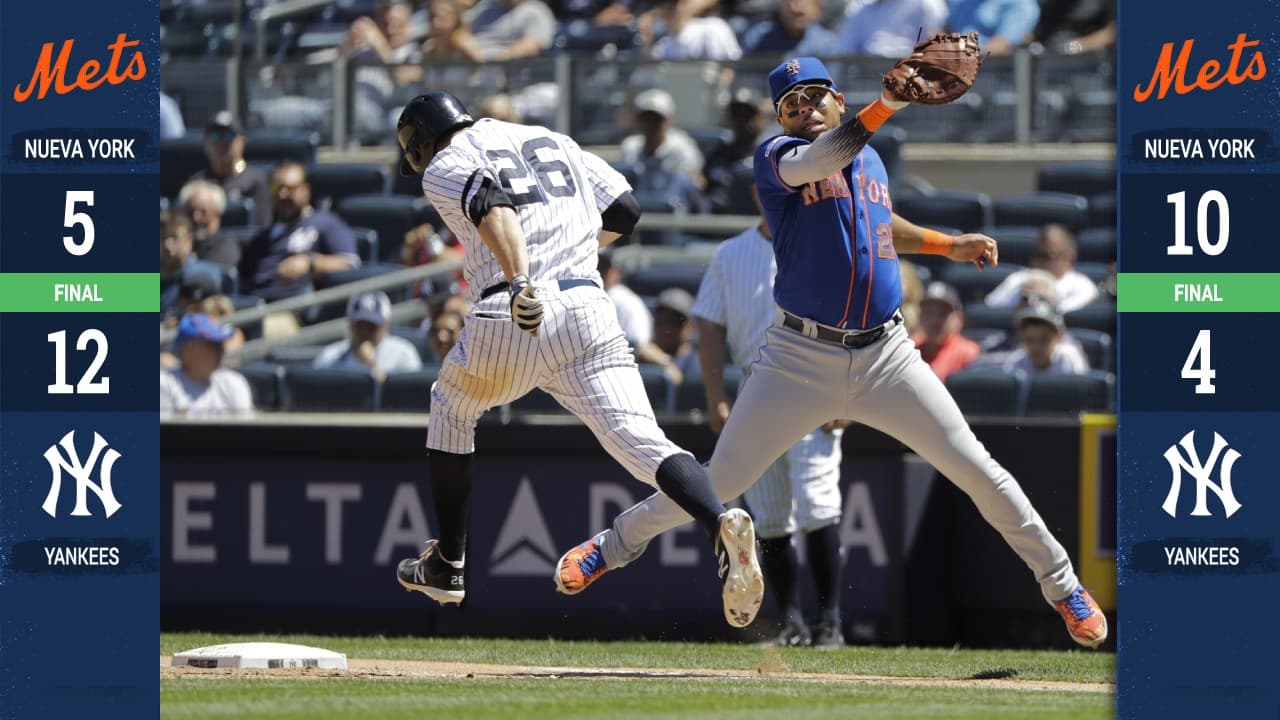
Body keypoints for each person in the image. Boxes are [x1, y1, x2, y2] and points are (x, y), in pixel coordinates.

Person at [556, 57, 1108, 649]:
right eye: (792, 104)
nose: (805, 109)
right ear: (780, 118)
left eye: (816, 96)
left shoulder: (867, 159)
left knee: (978, 470)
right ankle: (610, 548)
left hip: (887, 354)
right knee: (720, 479)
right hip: (800, 355)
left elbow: (878, 219)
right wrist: (888, 105)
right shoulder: (776, 157)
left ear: (839, 100)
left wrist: (947, 244)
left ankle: (1064, 586)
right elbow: (823, 160)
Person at [391, 92, 764, 628]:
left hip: (515, 304)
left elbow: (490, 201)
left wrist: (522, 276)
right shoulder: (552, 140)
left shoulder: (448, 160)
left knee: (450, 406)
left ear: (422, 144)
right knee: (644, 441)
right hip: (588, 306)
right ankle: (718, 521)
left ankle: (448, 563)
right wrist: (570, 246)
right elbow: (626, 210)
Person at [693, 189, 848, 647]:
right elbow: (708, 324)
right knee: (771, 511)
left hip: (815, 383)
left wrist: (844, 394)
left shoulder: (826, 242)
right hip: (754, 384)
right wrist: (716, 394)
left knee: (818, 500)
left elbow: (852, 318)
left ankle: (830, 621)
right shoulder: (730, 253)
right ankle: (792, 623)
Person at [238, 160, 360, 302]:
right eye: (277, 189)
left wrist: (310, 263)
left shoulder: (325, 223)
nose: (282, 195)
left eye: (290, 189)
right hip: (254, 306)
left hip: (293, 309)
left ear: (306, 190)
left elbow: (350, 263)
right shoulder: (262, 238)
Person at [985, 224, 1098, 313]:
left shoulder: (1082, 286)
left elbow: (1066, 316)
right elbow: (990, 309)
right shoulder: (1018, 279)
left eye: (1048, 256)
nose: (1039, 261)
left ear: (1069, 257)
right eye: (1038, 254)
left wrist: (1046, 299)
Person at [160, 313, 254, 419]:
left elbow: (246, 432)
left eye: (220, 344)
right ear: (189, 348)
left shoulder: (234, 383)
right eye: (212, 345)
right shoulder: (165, 384)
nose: (220, 351)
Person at [314, 291, 424, 380]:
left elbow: (409, 397)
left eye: (372, 327)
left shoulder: (403, 353)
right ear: (350, 325)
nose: (365, 332)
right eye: (360, 326)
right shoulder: (330, 357)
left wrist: (372, 365)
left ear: (385, 326)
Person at [188, 111, 271, 227]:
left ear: (241, 142)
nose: (221, 143)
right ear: (206, 144)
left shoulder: (256, 181)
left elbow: (262, 226)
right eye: (214, 136)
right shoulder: (197, 183)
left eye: (228, 136)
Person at [913, 281, 980, 381]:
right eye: (929, 313)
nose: (935, 320)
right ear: (920, 318)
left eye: (942, 314)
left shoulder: (968, 353)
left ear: (958, 319)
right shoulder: (911, 348)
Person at [1002, 300, 1089, 376]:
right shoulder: (1016, 361)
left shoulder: (1068, 358)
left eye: (1044, 340)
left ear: (1059, 337)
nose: (1036, 347)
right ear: (1021, 337)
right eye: (1030, 340)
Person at [838, 0, 948, 57]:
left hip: (912, 79)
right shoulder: (859, 7)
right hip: (867, 79)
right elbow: (845, 52)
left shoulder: (926, 3)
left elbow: (937, 46)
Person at [177, 179, 242, 267]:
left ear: (218, 213)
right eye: (190, 211)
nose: (196, 218)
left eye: (203, 212)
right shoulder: (172, 246)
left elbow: (204, 278)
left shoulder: (226, 247)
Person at [741, 0, 839, 56]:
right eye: (789, 1)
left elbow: (832, 85)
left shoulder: (828, 45)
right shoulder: (758, 38)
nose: (794, 8)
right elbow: (747, 81)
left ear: (816, 8)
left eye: (801, 2)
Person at [649, 288, 700, 384]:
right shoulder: (644, 356)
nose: (666, 327)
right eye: (661, 319)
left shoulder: (698, 366)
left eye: (675, 321)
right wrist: (664, 362)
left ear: (691, 327)